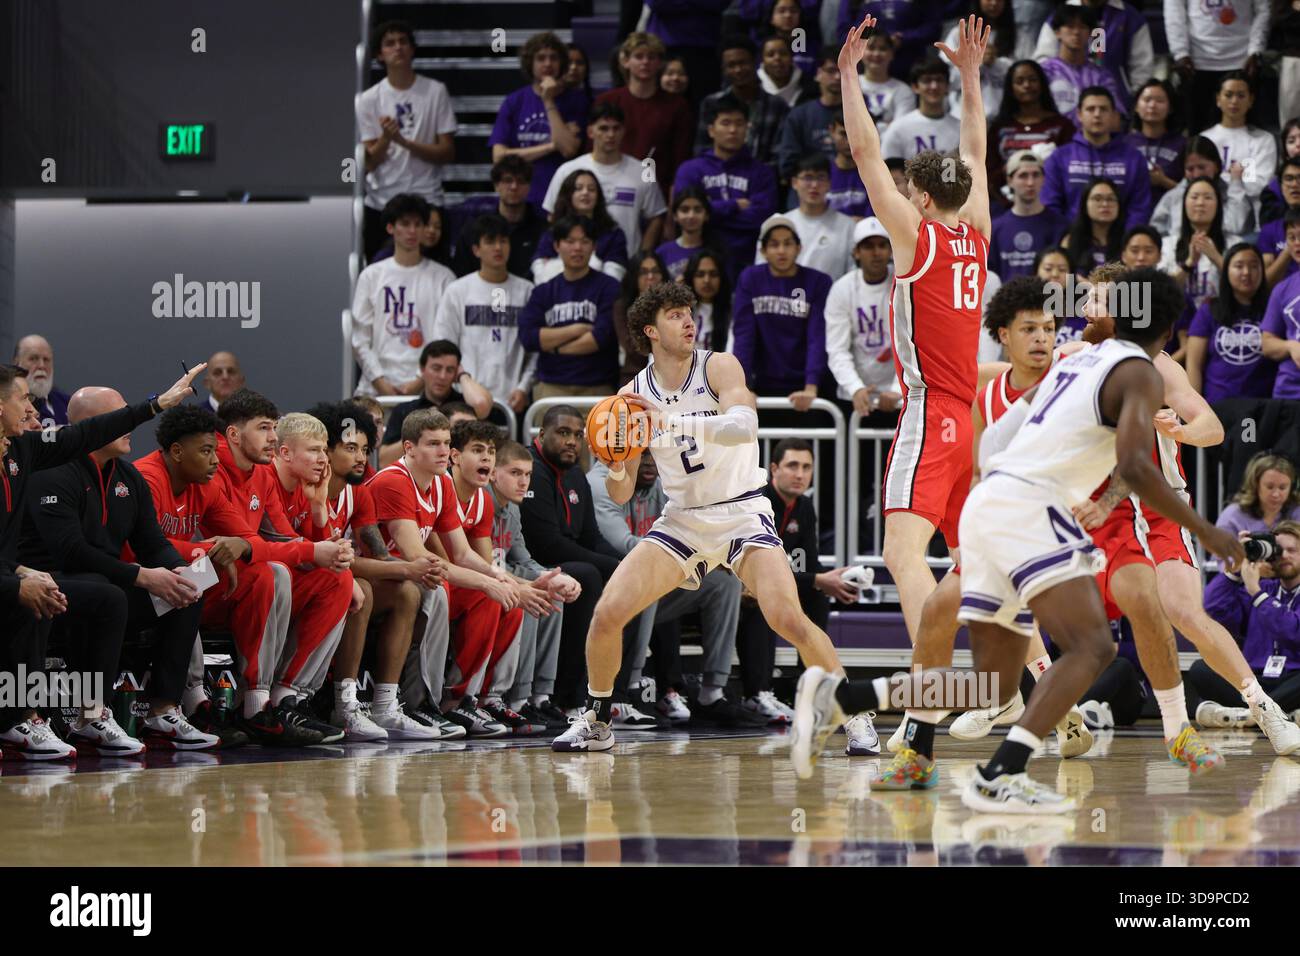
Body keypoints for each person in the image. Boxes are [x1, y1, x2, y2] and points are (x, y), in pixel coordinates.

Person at [796, 268, 1247, 810]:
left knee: (992, 681)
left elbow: (1026, 436)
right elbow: (1136, 463)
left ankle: (849, 702)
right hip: (1028, 512)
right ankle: (1014, 766)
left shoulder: (1076, 361)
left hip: (998, 506)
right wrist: (1207, 530)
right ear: (1167, 328)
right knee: (1092, 648)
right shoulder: (1136, 371)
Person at [551, 280, 849, 753]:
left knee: (786, 617)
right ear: (650, 330)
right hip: (683, 520)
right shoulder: (630, 395)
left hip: (742, 511)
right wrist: (615, 464)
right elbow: (623, 489)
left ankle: (854, 716)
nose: (689, 320)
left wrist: (666, 421)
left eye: (690, 312)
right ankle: (597, 719)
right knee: (608, 612)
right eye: (674, 315)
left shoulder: (718, 366)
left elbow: (744, 425)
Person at [1075, 266, 1300, 760]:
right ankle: (1057, 713)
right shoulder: (1072, 360)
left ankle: (1264, 707)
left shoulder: (1157, 365)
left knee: (1182, 610)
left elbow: (1214, 428)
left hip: (1158, 509)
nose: (1087, 308)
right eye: (1086, 299)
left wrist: (1178, 431)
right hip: (1102, 515)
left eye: (1098, 300)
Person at [836, 14, 993, 647]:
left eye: (907, 189)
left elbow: (865, 151)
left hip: (931, 411)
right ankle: (1033, 681)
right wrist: (972, 77)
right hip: (969, 418)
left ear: (921, 198)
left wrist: (848, 73)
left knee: (902, 554)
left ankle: (930, 688)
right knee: (973, 563)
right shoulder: (976, 234)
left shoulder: (916, 237)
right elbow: (976, 151)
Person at [0, 362, 203, 759]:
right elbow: (70, 551)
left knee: (187, 585)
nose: (32, 410)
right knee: (57, 593)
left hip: (30, 575)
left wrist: (158, 403)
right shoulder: (51, 472)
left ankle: (157, 709)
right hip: (51, 576)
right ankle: (21, 717)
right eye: (23, 399)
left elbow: (85, 434)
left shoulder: (20, 452)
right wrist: (19, 577)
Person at [134, 404, 349, 746]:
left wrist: (310, 546)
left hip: (207, 584)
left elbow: (251, 541)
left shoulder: (210, 480)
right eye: (264, 428)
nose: (272, 437)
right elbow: (139, 549)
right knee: (199, 575)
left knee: (317, 578)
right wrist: (210, 549)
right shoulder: (147, 478)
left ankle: (274, 700)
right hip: (140, 584)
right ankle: (190, 701)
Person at [368, 408, 527, 737]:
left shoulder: (440, 483)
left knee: (493, 596)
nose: (442, 451)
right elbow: (419, 556)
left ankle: (466, 699)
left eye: (445, 443)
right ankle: (422, 702)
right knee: (434, 588)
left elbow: (463, 554)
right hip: (373, 574)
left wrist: (502, 580)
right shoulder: (394, 480)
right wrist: (490, 581)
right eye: (433, 444)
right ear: (409, 448)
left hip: (405, 575)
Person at [305, 400, 445, 741]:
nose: (359, 458)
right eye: (350, 448)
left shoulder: (358, 494)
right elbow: (342, 561)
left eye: (365, 449)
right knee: (362, 589)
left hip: (332, 576)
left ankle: (385, 705)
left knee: (406, 591)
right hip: (304, 576)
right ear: (326, 449)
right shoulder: (304, 489)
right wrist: (410, 567)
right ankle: (345, 705)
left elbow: (380, 561)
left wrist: (412, 570)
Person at [587, 452, 755, 727]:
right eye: (642, 455)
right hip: (611, 587)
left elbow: (692, 531)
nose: (651, 462)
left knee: (724, 582)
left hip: (653, 581)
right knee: (650, 579)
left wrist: (717, 557)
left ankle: (712, 692)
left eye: (653, 453)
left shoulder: (661, 484)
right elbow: (626, 546)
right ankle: (630, 689)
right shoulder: (601, 483)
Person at [738, 438, 876, 743]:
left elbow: (809, 565)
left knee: (817, 596)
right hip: (741, 584)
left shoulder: (804, 505)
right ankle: (758, 693)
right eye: (792, 466)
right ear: (773, 469)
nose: (800, 474)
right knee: (766, 598)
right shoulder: (758, 501)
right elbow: (766, 571)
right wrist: (818, 578)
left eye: (806, 467)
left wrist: (827, 580)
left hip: (782, 583)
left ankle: (811, 693)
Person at [520, 406, 624, 712]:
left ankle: (613, 690)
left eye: (578, 435)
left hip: (565, 563)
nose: (572, 442)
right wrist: (610, 567)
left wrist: (624, 565)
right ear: (542, 435)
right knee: (590, 574)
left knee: (626, 578)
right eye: (563, 433)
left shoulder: (577, 474)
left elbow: (592, 536)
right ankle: (567, 695)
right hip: (533, 564)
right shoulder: (532, 469)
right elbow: (548, 545)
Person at [489, 439, 581, 729]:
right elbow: (481, 563)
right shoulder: (483, 503)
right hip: (484, 582)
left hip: (502, 576)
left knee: (550, 588)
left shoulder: (513, 509)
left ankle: (540, 696)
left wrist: (555, 577)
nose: (523, 482)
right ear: (494, 473)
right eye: (515, 473)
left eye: (527, 474)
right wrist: (533, 581)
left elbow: (524, 560)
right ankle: (518, 697)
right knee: (530, 591)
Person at [357, 20, 457, 260]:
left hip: (427, 199)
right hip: (382, 202)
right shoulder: (369, 99)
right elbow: (370, 162)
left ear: (412, 49)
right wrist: (387, 139)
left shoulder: (435, 91)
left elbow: (447, 153)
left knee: (434, 275)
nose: (398, 47)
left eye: (403, 42)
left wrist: (405, 143)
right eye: (390, 43)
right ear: (380, 55)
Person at [351, 193, 456, 399]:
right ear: (391, 228)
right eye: (405, 224)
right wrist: (379, 381)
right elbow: (359, 338)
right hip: (375, 387)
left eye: (418, 224)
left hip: (426, 388)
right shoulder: (372, 275)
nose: (412, 231)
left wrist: (420, 379)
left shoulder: (443, 277)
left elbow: (445, 336)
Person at [1196, 521, 1300, 725]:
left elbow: (1293, 632)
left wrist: (1256, 593)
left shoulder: (1257, 590)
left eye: (1292, 550)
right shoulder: (1262, 586)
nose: (1285, 555)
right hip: (1254, 680)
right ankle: (1276, 716)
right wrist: (1234, 571)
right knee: (1202, 669)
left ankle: (1245, 715)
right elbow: (1214, 609)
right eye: (1279, 550)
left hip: (1293, 678)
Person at [433, 214, 536, 419]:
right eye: (490, 241)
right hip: (466, 399)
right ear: (476, 249)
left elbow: (535, 351)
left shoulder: (527, 291)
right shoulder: (457, 291)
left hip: (513, 401)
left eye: (503, 241)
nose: (498, 247)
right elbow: (443, 345)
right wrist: (463, 380)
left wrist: (524, 387)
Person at [732, 215, 833, 409]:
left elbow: (817, 336)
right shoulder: (750, 279)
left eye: (787, 243)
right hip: (762, 383)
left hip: (807, 385)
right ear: (763, 250)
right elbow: (744, 336)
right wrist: (744, 386)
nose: (781, 251)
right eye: (774, 244)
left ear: (798, 248)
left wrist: (811, 386)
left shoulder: (818, 282)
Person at [542, 103, 668, 258]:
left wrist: (642, 257)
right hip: (574, 264)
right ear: (590, 131)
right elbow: (552, 216)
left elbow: (656, 217)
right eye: (603, 128)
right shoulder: (567, 170)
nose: (610, 134)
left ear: (624, 131)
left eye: (616, 128)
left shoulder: (642, 171)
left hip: (627, 264)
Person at [675, 95, 779, 280]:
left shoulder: (762, 172)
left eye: (739, 124)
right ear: (711, 130)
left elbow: (760, 218)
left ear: (747, 129)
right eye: (725, 123)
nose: (733, 130)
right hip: (699, 262)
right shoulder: (690, 170)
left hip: (748, 260)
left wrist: (711, 210)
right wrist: (734, 205)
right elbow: (688, 216)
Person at [518, 216, 622, 400]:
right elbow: (529, 337)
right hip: (551, 386)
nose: (577, 248)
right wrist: (576, 329)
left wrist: (554, 347)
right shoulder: (543, 292)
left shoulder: (609, 287)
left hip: (598, 387)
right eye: (570, 241)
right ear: (557, 246)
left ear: (594, 246)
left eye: (585, 241)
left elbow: (600, 338)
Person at [488, 31, 586, 206]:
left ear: (562, 63)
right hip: (523, 198)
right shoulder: (514, 101)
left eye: (553, 58)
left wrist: (548, 99)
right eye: (541, 58)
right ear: (530, 63)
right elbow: (499, 157)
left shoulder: (576, 100)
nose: (548, 63)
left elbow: (569, 149)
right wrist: (551, 145)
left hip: (562, 198)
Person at [596, 33, 694, 200]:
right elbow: (593, 152)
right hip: (610, 192)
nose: (645, 62)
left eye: (651, 57)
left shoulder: (677, 106)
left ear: (659, 63)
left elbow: (680, 162)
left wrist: (671, 211)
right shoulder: (607, 101)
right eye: (639, 56)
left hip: (657, 194)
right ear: (626, 61)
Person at [1040, 87, 1152, 229]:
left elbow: (1139, 208)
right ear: (1079, 114)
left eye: (1103, 109)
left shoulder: (1134, 159)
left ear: (1113, 115)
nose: (1097, 114)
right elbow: (1050, 206)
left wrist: (1126, 242)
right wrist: (1067, 240)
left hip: (1120, 244)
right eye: (1091, 109)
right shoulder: (1059, 157)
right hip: (1071, 243)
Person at [824, 217, 901, 416]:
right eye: (868, 247)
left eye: (882, 245)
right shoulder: (842, 289)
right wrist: (855, 388)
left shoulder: (904, 283)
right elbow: (837, 349)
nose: (876, 253)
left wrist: (897, 389)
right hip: (855, 398)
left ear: (891, 250)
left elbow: (915, 341)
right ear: (856, 252)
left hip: (900, 396)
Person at [378, 341, 493, 467]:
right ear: (422, 369)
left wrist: (463, 375)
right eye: (436, 368)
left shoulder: (465, 404)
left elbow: (481, 404)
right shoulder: (405, 409)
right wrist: (419, 431)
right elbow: (385, 461)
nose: (442, 376)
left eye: (450, 370)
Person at [1186, 244, 1277, 403]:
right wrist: (1194, 411)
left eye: (1254, 266)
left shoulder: (1273, 308)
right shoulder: (1209, 309)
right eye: (1239, 266)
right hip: (1218, 405)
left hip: (1263, 407)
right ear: (1226, 270)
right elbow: (1194, 365)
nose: (1247, 272)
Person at [1161, 179, 1242, 354]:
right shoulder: (1167, 245)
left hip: (1221, 325)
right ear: (1184, 204)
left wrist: (1217, 258)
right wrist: (1189, 263)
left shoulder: (1234, 244)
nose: (1200, 203)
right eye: (1194, 197)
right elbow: (1162, 292)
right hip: (1174, 327)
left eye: (1207, 197)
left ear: (1219, 204)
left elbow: (1245, 286)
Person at [1166, 0, 1269, 136]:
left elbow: (1263, 10)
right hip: (1195, 61)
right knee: (1197, 130)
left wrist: (1255, 50)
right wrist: (1180, 52)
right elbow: (1174, 11)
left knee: (1245, 130)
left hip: (1242, 60)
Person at [693, 35, 792, 168]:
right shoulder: (711, 103)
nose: (738, 70)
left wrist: (752, 175)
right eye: (731, 65)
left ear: (755, 63)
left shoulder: (777, 105)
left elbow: (779, 154)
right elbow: (701, 150)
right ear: (723, 70)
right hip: (717, 177)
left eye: (743, 63)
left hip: (761, 179)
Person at [449, 157, 549, 280]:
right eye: (508, 180)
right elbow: (462, 276)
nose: (514, 186)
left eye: (521, 181)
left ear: (529, 187)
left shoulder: (544, 231)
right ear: (496, 185)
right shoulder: (474, 230)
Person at [757, 155, 855, 279]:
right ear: (794, 182)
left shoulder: (848, 226)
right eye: (808, 177)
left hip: (831, 296)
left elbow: (853, 274)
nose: (814, 185)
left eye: (821, 177)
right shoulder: (778, 224)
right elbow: (761, 271)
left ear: (829, 183)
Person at [530, 170, 630, 284]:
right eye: (578, 188)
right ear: (568, 194)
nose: (585, 193)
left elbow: (614, 276)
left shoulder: (613, 233)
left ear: (598, 196)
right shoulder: (553, 231)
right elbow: (539, 269)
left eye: (591, 189)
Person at [1199, 73, 1277, 219]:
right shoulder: (1204, 138)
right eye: (1228, 95)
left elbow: (1260, 185)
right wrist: (1236, 180)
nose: (1234, 101)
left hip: (1251, 215)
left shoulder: (1263, 140)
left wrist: (1234, 183)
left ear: (1251, 100)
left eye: (1241, 96)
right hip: (1209, 210)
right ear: (1218, 99)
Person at [987, 60, 1074, 188]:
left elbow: (1068, 167)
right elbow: (989, 172)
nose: (1026, 85)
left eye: (1032, 80)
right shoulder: (999, 128)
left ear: (1042, 84)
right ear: (1011, 88)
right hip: (1006, 200)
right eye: (1019, 81)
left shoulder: (1062, 126)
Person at [1151, 135, 1254, 240]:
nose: (1196, 174)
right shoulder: (1173, 196)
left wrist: (1236, 183)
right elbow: (1155, 232)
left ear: (1217, 166)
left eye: (1202, 167)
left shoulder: (1232, 193)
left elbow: (1234, 227)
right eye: (1190, 169)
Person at [988, 150, 1070, 280]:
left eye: (1036, 175)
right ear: (1010, 180)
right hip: (1005, 298)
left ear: (1043, 179)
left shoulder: (1061, 225)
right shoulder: (994, 228)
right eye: (1023, 175)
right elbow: (990, 276)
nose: (1030, 183)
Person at [1039, 5, 1127, 122]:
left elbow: (1116, 119)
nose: (1076, 32)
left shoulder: (1102, 76)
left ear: (1090, 34)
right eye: (1070, 26)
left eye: (1083, 27)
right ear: (1057, 32)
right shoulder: (1043, 72)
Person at [775, 48, 845, 180]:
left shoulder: (860, 113)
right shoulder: (799, 115)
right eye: (831, 71)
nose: (838, 77)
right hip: (808, 185)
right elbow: (787, 164)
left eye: (843, 71)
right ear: (818, 73)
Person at [646, 0, 728, 105]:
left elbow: (718, 3)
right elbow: (657, 3)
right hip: (665, 46)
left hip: (705, 49)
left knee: (704, 106)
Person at [879, 59, 961, 162]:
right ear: (915, 87)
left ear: (947, 86)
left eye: (939, 80)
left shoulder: (961, 129)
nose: (934, 86)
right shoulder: (898, 128)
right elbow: (888, 171)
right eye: (927, 80)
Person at [1126, 78, 1185, 205]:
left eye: (1160, 101)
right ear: (1136, 106)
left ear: (1170, 108)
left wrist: (1163, 181)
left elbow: (1192, 192)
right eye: (1147, 100)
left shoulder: (1183, 145)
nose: (1152, 105)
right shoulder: (1124, 144)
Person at [613, 252, 669, 381]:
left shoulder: (672, 306)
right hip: (634, 376)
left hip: (670, 376)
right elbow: (632, 347)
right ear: (634, 277)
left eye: (655, 271)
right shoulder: (622, 306)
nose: (650, 277)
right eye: (643, 272)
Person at [1216, 453, 1300, 536]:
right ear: (1256, 485)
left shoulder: (1296, 512)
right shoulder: (1233, 516)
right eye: (1270, 487)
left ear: (1291, 488)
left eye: (1282, 488)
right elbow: (1219, 548)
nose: (1276, 494)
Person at [1262, 232, 1300, 400]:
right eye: (1292, 238)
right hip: (1289, 392)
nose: (1297, 243)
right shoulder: (1282, 288)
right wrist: (1291, 346)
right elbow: (1267, 344)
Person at [1062, 178, 1126, 278]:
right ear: (1085, 205)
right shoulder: (1070, 240)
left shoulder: (1127, 242)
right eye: (1097, 199)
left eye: (1110, 199)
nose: (1105, 204)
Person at [856, 32, 916, 137]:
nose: (876, 54)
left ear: (892, 54)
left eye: (883, 49)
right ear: (861, 52)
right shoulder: (850, 84)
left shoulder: (903, 90)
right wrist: (886, 125)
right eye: (871, 48)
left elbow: (900, 130)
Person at [655, 186, 714, 281]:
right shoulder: (662, 253)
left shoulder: (716, 252)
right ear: (675, 216)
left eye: (697, 210)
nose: (691, 216)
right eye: (685, 210)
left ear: (706, 215)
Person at [12, 335, 71, 426]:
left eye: (46, 360)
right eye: (33, 359)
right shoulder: (9, 406)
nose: (41, 366)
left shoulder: (68, 403)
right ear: (16, 363)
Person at [1259, 157, 1300, 288]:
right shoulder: (1269, 230)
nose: (1294, 184)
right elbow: (1265, 283)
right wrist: (1290, 248)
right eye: (1289, 179)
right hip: (1283, 301)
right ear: (1281, 186)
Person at [683, 251, 733, 351]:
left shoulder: (732, 312)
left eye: (713, 274)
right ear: (691, 278)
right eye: (700, 274)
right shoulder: (680, 310)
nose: (707, 280)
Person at [828, 113, 871, 218]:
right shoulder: (821, 174)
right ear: (831, 132)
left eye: (855, 135)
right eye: (843, 134)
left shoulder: (875, 175)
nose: (849, 141)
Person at [759, 35, 815, 108]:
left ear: (792, 57)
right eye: (770, 55)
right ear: (762, 60)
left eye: (783, 53)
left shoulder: (810, 86)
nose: (777, 58)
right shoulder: (754, 86)